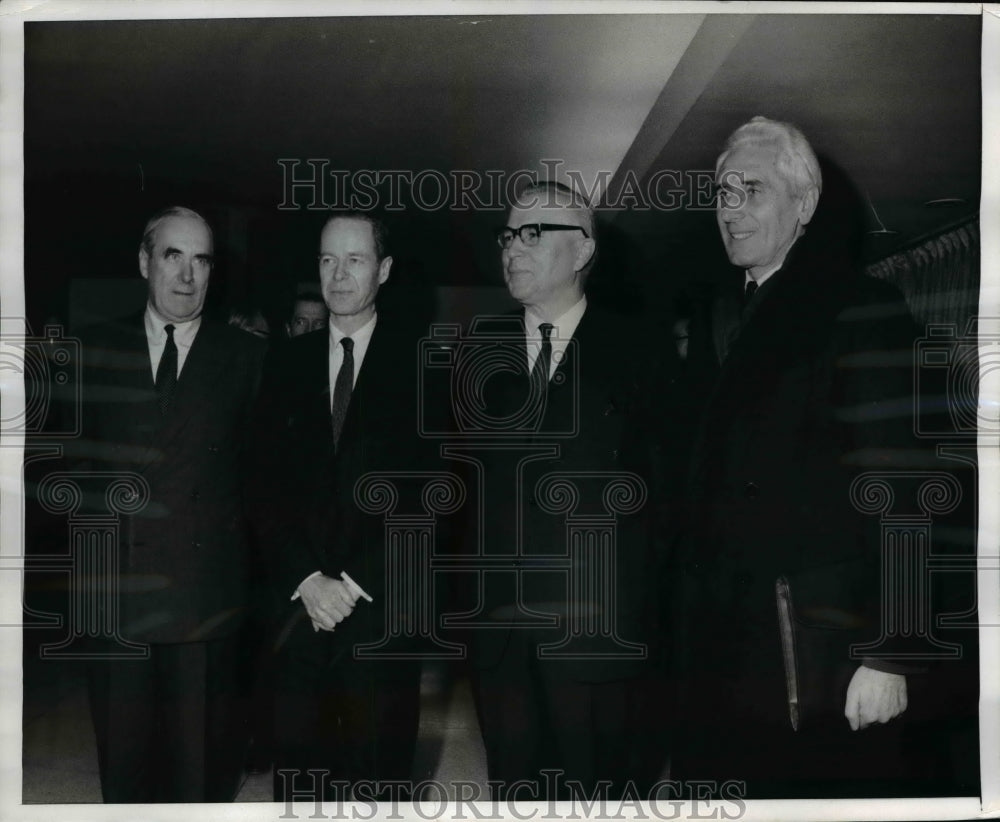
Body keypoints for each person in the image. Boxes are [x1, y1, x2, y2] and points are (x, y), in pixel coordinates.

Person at [671, 117, 923, 797]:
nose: (730, 209)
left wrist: (889, 652)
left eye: (751, 189)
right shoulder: (725, 313)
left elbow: (902, 485)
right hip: (725, 645)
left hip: (810, 652)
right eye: (722, 192)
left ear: (804, 205)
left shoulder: (859, 305)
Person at [461, 182, 684, 799]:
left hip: (597, 640)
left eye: (534, 233)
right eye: (508, 235)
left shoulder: (642, 352)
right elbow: (456, 493)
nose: (512, 249)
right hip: (499, 642)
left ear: (583, 252)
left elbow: (669, 502)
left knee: (595, 795)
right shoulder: (476, 350)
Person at [68, 206, 265, 802]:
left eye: (201, 259)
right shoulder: (93, 351)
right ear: (144, 261)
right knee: (125, 775)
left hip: (206, 602)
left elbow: (264, 484)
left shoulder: (249, 358)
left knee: (199, 776)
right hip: (119, 603)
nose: (187, 274)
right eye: (172, 256)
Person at [249, 212, 435, 803]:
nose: (338, 274)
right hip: (297, 612)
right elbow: (261, 484)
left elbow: (432, 495)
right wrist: (306, 579)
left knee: (376, 781)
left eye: (355, 260)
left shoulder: (426, 364)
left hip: (377, 612)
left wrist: (352, 584)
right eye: (328, 259)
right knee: (301, 783)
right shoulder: (282, 363)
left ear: (382, 269)